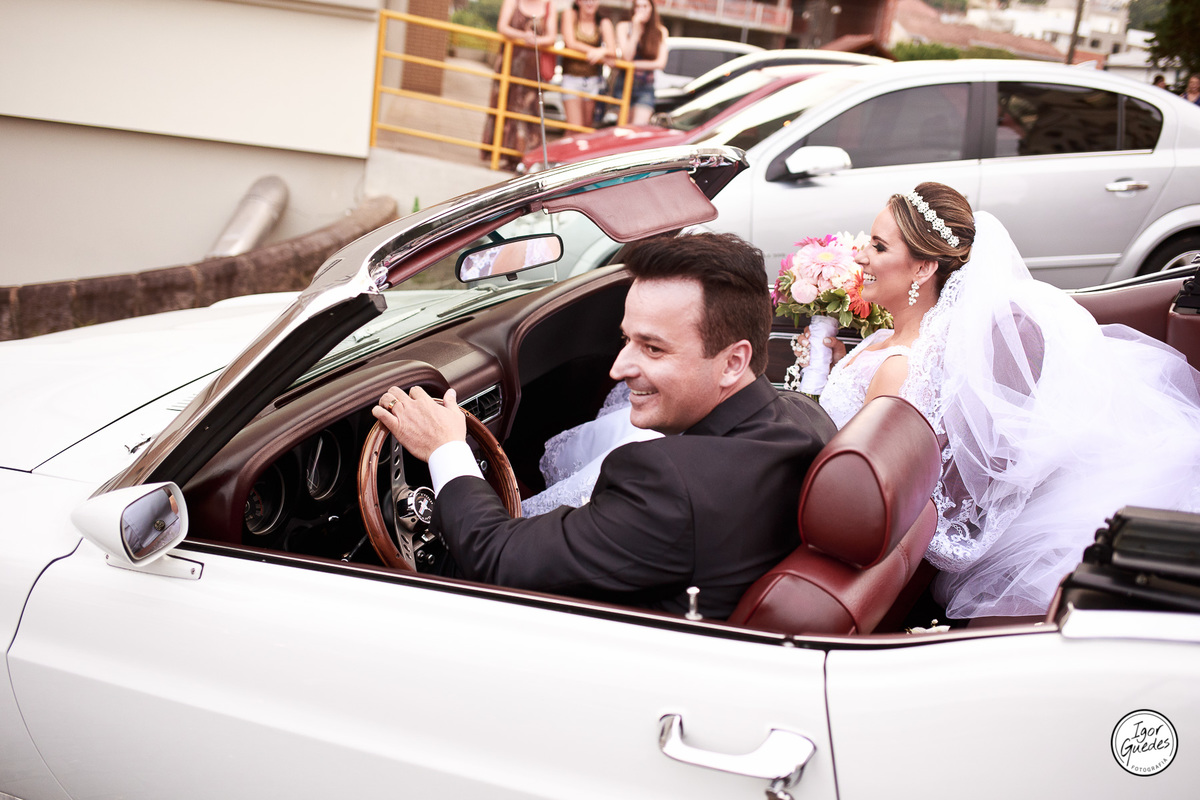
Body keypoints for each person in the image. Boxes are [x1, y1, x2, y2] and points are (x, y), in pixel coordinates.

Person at [372, 233, 837, 619]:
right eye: (626, 339)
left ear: (733, 362)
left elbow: (496, 559)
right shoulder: (804, 416)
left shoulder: (670, 487)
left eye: (653, 348)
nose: (618, 368)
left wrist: (445, 449)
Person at [795, 183, 1200, 620]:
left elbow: (859, 474)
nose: (860, 256)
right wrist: (833, 367)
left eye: (878, 247)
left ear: (923, 268)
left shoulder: (897, 367)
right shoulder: (888, 342)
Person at [482, 0, 559, 169]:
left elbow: (551, 37)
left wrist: (536, 40)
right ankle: (502, 154)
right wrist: (523, 36)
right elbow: (502, 27)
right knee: (505, 107)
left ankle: (524, 158)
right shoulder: (513, 2)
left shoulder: (549, 5)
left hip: (532, 70)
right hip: (509, 64)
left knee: (528, 111)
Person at [560, 0, 615, 129]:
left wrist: (602, 51)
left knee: (586, 129)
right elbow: (570, 43)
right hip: (571, 79)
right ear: (578, 2)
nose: (590, 3)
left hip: (593, 81)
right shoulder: (570, 14)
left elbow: (612, 51)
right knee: (575, 127)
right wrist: (595, 52)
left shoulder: (603, 22)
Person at [613, 0, 669, 125]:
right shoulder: (624, 27)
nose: (641, 10)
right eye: (638, 6)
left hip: (645, 87)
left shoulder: (660, 31)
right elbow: (627, 57)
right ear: (633, 9)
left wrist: (632, 65)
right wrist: (635, 31)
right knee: (621, 128)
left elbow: (660, 63)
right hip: (624, 84)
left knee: (637, 128)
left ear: (651, 8)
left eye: (645, 6)